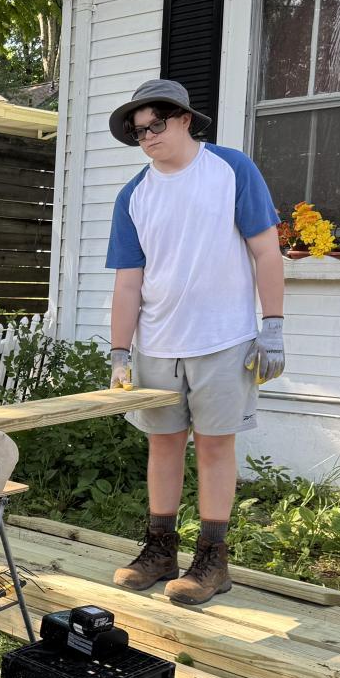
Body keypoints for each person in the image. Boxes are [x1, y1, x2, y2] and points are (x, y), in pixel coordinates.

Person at [104, 78, 284, 606]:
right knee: (162, 444)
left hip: (224, 339)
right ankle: (160, 550)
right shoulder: (133, 195)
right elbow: (128, 283)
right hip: (157, 344)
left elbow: (267, 252)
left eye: (156, 125)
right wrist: (120, 353)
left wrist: (273, 326)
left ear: (185, 119)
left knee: (214, 445)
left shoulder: (231, 169)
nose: (148, 137)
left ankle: (212, 560)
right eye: (139, 132)